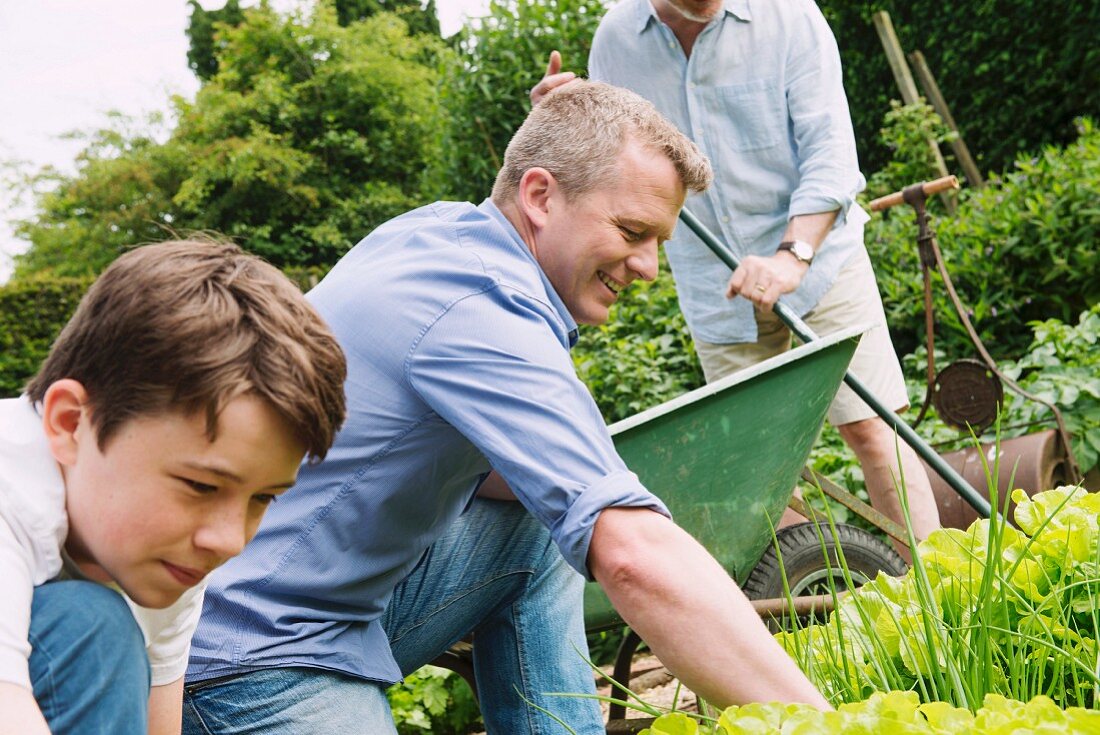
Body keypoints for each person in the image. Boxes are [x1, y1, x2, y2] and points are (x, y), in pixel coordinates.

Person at [182, 81, 830, 735]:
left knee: (541, 520)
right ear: (540, 196)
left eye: (659, 241)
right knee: (596, 526)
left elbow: (528, 485)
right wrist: (832, 724)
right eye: (633, 231)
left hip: (329, 604)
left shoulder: (440, 237)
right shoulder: (479, 305)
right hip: (248, 655)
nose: (649, 267)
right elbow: (630, 554)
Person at [531, 0, 940, 557]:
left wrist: (791, 256)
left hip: (821, 262)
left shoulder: (790, 17)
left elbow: (832, 155)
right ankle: (822, 608)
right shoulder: (618, 39)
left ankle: (940, 600)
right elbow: (611, 160)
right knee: (763, 473)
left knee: (874, 431)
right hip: (714, 287)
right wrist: (560, 124)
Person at [0, 240, 348, 735]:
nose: (228, 541)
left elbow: (156, 721)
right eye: (201, 486)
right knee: (89, 624)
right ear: (71, 422)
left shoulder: (164, 545)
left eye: (262, 498)